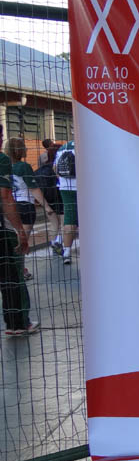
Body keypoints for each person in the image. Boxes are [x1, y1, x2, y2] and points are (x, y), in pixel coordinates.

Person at [0, 127, 39, 336]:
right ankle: (18, 323)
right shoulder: (4, 161)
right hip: (5, 227)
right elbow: (6, 196)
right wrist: (20, 231)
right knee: (12, 276)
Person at [6, 138, 59, 279]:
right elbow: (34, 188)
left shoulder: (5, 166)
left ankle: (14, 269)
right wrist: (46, 206)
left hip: (9, 206)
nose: (26, 149)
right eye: (24, 147)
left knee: (11, 240)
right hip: (25, 206)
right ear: (19, 150)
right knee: (22, 241)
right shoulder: (24, 167)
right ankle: (20, 271)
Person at [34, 144, 63, 254]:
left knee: (54, 224)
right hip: (60, 199)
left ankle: (54, 245)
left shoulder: (40, 170)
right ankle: (61, 246)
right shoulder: (59, 168)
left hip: (47, 201)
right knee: (64, 224)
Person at [54, 140, 77, 265]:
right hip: (84, 187)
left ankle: (67, 252)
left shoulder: (63, 148)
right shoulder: (87, 145)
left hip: (65, 187)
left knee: (69, 218)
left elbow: (55, 169)